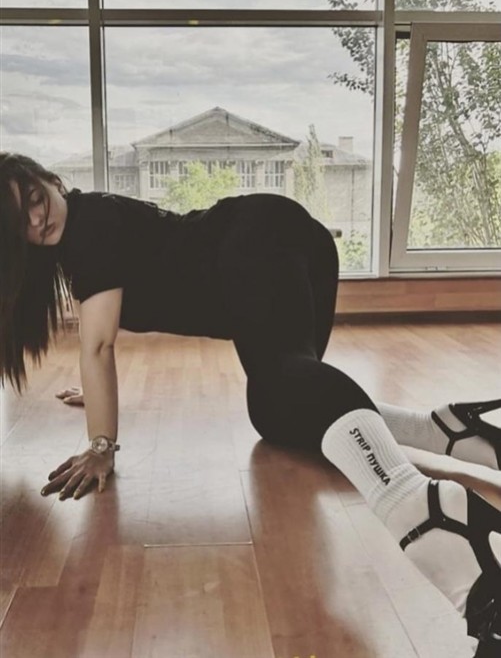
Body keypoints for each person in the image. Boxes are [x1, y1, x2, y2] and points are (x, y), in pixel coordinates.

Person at [0, 151, 499, 656]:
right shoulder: (87, 229)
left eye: (36, 199)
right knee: (285, 412)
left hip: (257, 239)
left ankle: (431, 516)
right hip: (287, 238)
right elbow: (102, 332)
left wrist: (101, 445)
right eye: (22, 222)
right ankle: (452, 431)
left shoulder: (89, 229)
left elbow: (98, 345)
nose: (37, 219)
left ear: (52, 180)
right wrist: (95, 394)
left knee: (282, 386)